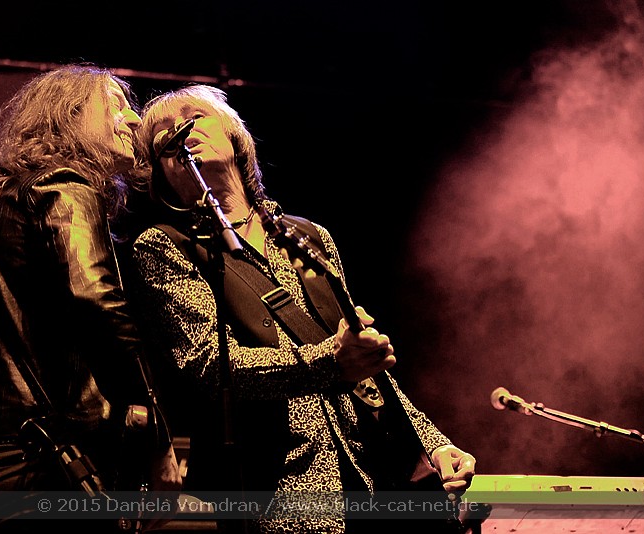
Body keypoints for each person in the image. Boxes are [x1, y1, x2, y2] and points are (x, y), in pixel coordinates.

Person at [118, 84, 477, 533]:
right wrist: (329, 362)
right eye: (163, 136)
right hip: (284, 495)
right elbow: (209, 365)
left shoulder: (309, 236)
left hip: (380, 481)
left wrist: (433, 442)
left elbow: (364, 365)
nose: (180, 132)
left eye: (193, 118)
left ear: (235, 138)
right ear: (160, 172)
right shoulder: (165, 246)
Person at [0, 64, 183, 532]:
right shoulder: (64, 184)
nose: (133, 120)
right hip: (42, 458)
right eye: (117, 106)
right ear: (71, 115)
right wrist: (158, 436)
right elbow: (97, 303)